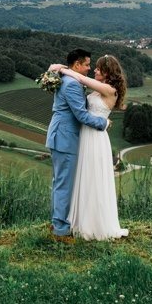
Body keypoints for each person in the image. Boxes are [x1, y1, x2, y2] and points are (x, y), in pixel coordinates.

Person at [48, 54, 129, 240]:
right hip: (84, 136)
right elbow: (78, 82)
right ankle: (76, 221)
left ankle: (92, 224)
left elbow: (81, 78)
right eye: (91, 65)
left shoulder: (109, 89)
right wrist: (57, 70)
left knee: (93, 179)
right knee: (81, 179)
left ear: (107, 72)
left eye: (99, 68)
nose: (94, 70)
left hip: (95, 138)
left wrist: (61, 68)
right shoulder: (97, 88)